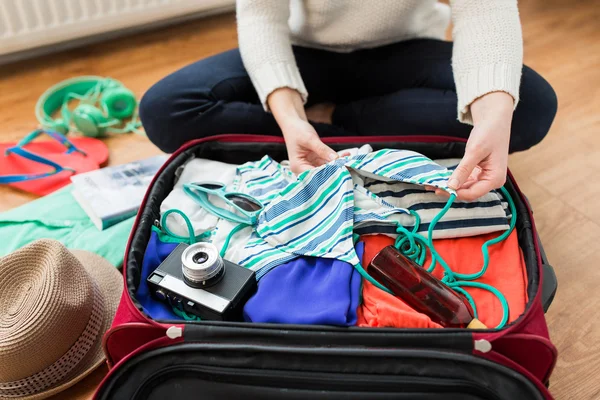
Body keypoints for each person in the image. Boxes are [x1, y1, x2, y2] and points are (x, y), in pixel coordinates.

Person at [140, 0, 557, 201]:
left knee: (528, 106)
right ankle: (352, 128)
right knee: (165, 109)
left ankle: (337, 119)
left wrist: (493, 111)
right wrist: (290, 116)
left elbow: (483, 8)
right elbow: (260, 16)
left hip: (405, 49)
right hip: (307, 55)